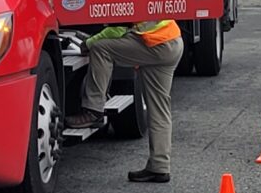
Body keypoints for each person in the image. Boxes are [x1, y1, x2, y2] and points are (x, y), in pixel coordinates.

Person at [66, 20, 184, 182]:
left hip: (154, 43)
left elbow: (116, 29)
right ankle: (159, 166)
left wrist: (89, 43)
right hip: (172, 40)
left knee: (101, 49)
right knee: (159, 109)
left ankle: (93, 110)